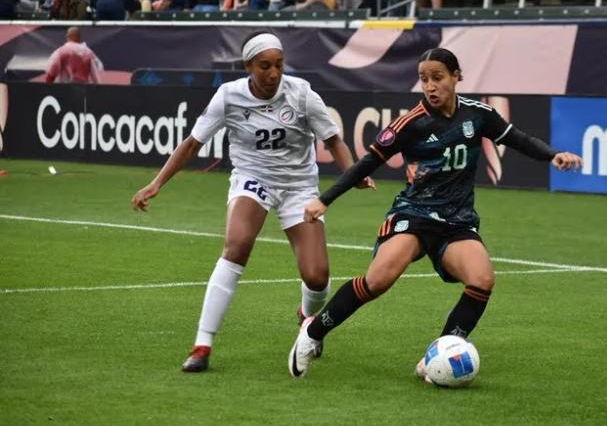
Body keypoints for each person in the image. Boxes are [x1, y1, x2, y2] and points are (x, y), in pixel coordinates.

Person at [288, 47, 582, 379]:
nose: (430, 86)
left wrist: (553, 155)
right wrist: (325, 199)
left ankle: (440, 353)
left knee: (482, 279)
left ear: (457, 77)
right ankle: (313, 331)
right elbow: (368, 163)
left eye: (437, 78)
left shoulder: (478, 115)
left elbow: (519, 139)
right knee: (379, 279)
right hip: (414, 214)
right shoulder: (410, 124)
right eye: (424, 79)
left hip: (457, 222)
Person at [131, 31, 375, 373]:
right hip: (253, 180)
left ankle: (307, 318)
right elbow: (191, 144)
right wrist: (156, 183)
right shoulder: (228, 97)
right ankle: (202, 344)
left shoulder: (302, 93)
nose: (273, 73)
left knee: (317, 276)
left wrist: (353, 174)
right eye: (264, 66)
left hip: (298, 186)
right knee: (237, 245)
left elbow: (333, 140)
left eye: (278, 65)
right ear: (248, 66)